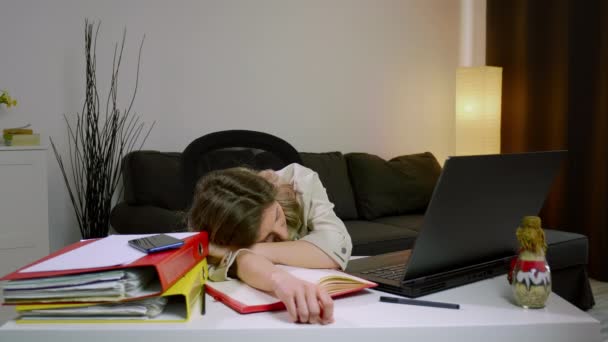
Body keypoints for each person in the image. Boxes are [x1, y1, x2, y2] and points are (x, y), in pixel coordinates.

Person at [188, 163, 352, 325]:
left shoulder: (299, 181)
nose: (285, 235)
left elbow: (336, 248)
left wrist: (236, 250)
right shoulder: (219, 233)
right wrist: (279, 280)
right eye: (267, 237)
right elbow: (243, 260)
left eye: (277, 217)